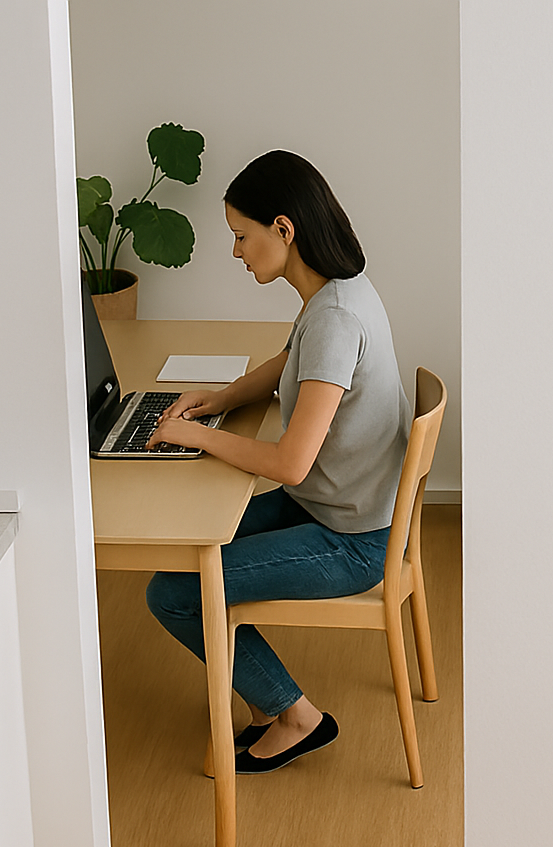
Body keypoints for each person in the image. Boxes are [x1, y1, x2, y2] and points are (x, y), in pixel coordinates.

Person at [144, 150, 413, 772]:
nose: (237, 252)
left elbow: (290, 463)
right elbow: (292, 364)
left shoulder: (336, 320)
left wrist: (200, 438)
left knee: (176, 593)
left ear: (283, 230)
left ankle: (295, 715)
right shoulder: (338, 292)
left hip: (352, 539)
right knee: (190, 549)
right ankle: (278, 704)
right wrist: (221, 399)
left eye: (242, 236)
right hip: (340, 506)